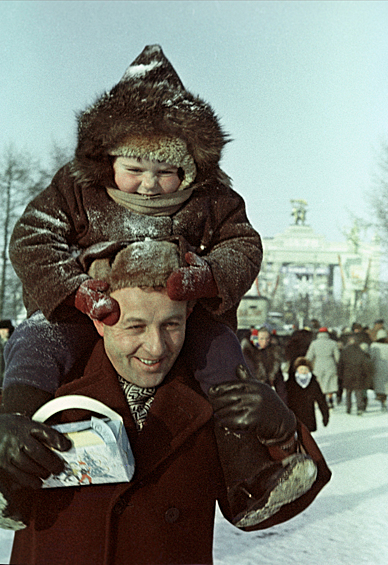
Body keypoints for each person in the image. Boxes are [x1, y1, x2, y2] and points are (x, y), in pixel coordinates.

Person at [0, 240, 331, 565]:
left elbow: (259, 511)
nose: (156, 347)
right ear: (100, 321)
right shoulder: (45, 388)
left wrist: (281, 434)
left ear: (189, 315)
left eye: (171, 324)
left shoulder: (211, 395)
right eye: (135, 326)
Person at [2, 44, 262, 411]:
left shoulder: (210, 199)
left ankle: (249, 454)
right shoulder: (80, 189)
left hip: (183, 313)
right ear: (109, 162)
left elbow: (242, 244)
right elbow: (34, 237)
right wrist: (74, 290)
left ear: (188, 170)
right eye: (135, 170)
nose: (149, 185)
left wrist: (210, 277)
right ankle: (16, 421)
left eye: (166, 172)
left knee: (221, 356)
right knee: (37, 343)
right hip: (90, 310)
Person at [241, 326, 287, 404]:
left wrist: (284, 405)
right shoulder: (249, 354)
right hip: (253, 393)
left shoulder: (273, 354)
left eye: (267, 339)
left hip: (267, 393)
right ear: (256, 338)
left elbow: (279, 383)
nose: (264, 341)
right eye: (261, 338)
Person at [286, 357, 329, 432]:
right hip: (294, 415)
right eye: (301, 369)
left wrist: (325, 415)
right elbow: (285, 399)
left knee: (307, 436)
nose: (303, 371)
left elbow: (321, 399)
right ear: (297, 370)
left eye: (305, 369)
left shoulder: (313, 383)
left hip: (308, 415)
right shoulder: (291, 383)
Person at [337, 333, 374, 415]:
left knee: (348, 392)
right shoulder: (360, 351)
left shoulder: (344, 351)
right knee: (358, 392)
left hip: (347, 374)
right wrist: (366, 374)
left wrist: (340, 375)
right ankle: (359, 407)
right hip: (358, 374)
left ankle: (348, 407)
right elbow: (365, 364)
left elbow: (340, 364)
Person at [305, 327, 340, 409]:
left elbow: (309, 356)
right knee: (330, 383)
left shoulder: (314, 343)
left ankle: (322, 400)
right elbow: (338, 357)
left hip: (318, 365)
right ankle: (330, 400)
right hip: (330, 364)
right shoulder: (333, 343)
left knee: (320, 384)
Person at [370, 328, 388, 411]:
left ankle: (381, 400)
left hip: (377, 367)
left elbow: (371, 358)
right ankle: (384, 399)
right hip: (386, 367)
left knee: (379, 384)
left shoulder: (374, 345)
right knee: (386, 385)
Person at [0, 320, 14, 394]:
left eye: (4, 329)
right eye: (0, 330)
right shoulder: (2, 343)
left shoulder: (12, 342)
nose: (2, 332)